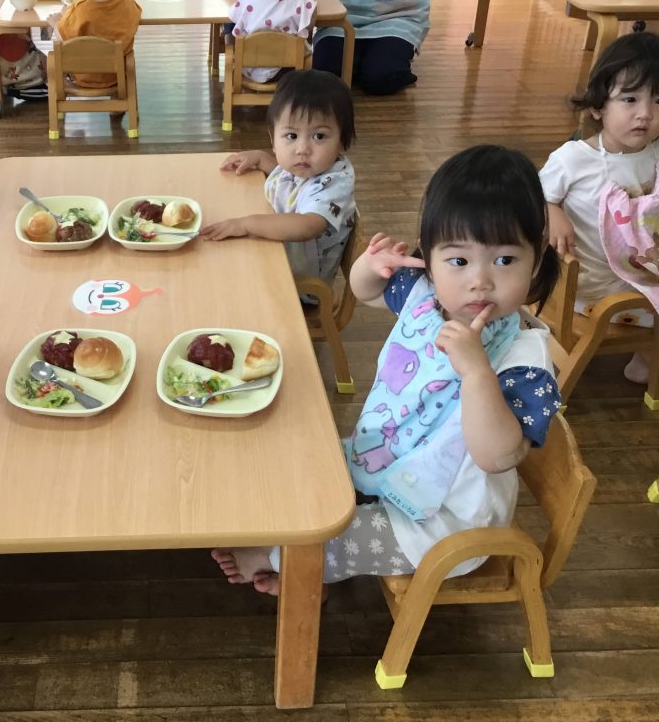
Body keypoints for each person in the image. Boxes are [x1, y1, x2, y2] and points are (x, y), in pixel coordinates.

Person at [213, 145, 561, 594]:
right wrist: (369, 266)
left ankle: (285, 566)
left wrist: (477, 374)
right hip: (383, 461)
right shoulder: (425, 298)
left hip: (443, 522)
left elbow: (497, 456)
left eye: (505, 260)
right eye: (458, 260)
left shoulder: (524, 363)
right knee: (298, 467)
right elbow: (367, 292)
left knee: (321, 541)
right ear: (429, 256)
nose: (480, 281)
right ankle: (300, 558)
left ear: (538, 256)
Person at [540, 32, 659, 386]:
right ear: (598, 106)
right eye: (629, 99)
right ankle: (650, 361)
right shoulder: (574, 159)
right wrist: (552, 211)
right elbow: (531, 197)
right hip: (588, 287)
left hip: (646, 267)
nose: (645, 114)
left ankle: (646, 361)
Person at [200, 70, 357, 287]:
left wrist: (247, 224)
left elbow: (307, 225)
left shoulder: (335, 182)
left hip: (299, 287)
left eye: (319, 136)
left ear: (342, 142)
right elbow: (292, 182)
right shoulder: (305, 168)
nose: (302, 149)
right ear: (273, 138)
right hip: (274, 259)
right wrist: (261, 158)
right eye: (291, 136)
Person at [307, 0, 451, 96]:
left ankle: (373, 61)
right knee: (325, 73)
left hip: (397, 17)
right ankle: (366, 59)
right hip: (339, 17)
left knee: (382, 78)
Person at [47, 0, 142, 89]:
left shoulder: (79, 9)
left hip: (82, 75)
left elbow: (64, 39)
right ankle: (118, 102)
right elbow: (135, 16)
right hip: (117, 75)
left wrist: (55, 23)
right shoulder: (127, 0)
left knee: (54, 56)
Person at [226, 0, 320, 84]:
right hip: (287, 69)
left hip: (249, 66)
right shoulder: (301, 2)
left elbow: (232, 17)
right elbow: (309, 27)